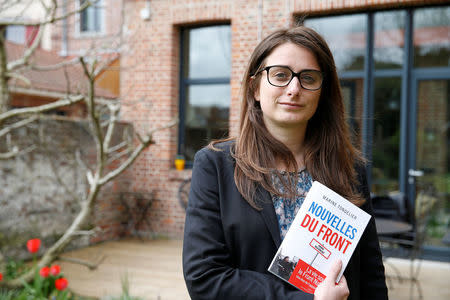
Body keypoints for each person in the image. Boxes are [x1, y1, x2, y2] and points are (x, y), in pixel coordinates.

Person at [182, 26, 388, 300]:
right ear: (255, 88)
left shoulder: (349, 170)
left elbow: (370, 276)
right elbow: (205, 277)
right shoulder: (216, 166)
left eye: (308, 78)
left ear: (322, 93)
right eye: (280, 75)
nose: (294, 88)